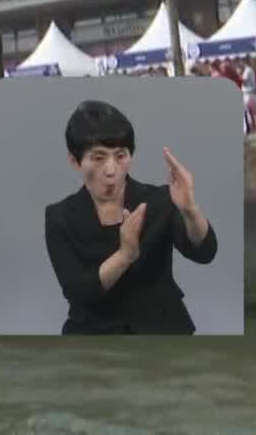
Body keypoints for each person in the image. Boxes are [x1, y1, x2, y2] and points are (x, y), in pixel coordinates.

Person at [42, 100, 217, 334]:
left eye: (120, 156)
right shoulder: (59, 216)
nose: (111, 170)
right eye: (98, 158)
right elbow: (78, 292)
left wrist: (190, 210)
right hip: (93, 335)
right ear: (75, 161)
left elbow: (204, 252)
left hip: (163, 331)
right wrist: (125, 255)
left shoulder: (160, 200)